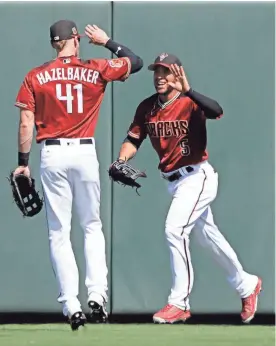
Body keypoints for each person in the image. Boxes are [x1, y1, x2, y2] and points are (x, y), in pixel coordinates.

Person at [13, 19, 143, 331]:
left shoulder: (36, 75)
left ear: (53, 43)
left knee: (59, 232)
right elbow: (135, 62)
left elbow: (26, 122)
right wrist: (108, 41)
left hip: (52, 153)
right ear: (76, 38)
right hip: (84, 151)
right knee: (92, 226)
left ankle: (71, 305)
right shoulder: (95, 67)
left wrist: (23, 162)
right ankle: (97, 294)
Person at [114, 53, 262, 324]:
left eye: (165, 72)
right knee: (207, 236)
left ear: (177, 74)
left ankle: (178, 302)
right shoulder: (147, 107)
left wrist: (190, 91)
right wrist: (121, 159)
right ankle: (247, 284)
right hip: (174, 181)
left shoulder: (189, 103)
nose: (159, 77)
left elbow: (217, 111)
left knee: (175, 229)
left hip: (197, 176)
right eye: (156, 72)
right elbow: (133, 139)